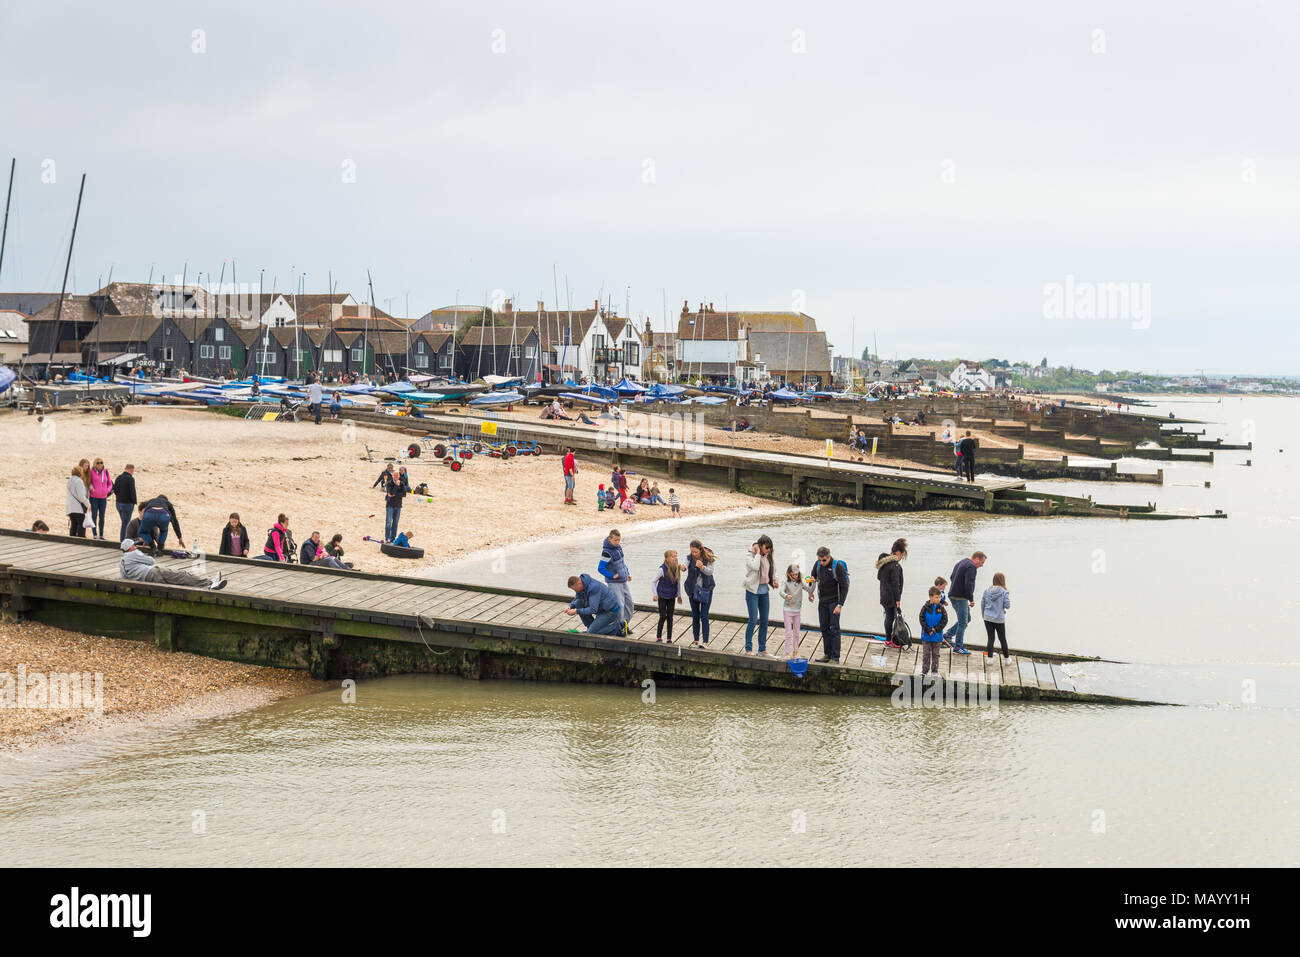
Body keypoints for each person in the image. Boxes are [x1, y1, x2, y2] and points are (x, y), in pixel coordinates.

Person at [119, 539, 226, 590]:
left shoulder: (122, 562)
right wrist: (139, 553)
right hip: (154, 572)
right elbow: (151, 561)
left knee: (178, 584)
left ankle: (208, 586)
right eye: (134, 545)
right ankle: (210, 583)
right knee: (182, 575)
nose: (136, 546)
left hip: (147, 579)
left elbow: (124, 577)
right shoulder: (133, 554)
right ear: (131, 548)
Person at [943, 550, 986, 656]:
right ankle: (958, 647)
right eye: (981, 563)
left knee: (967, 619)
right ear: (976, 559)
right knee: (963, 622)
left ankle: (948, 635)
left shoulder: (962, 562)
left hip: (953, 594)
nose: (981, 565)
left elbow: (952, 576)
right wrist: (971, 599)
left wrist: (957, 586)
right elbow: (969, 584)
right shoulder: (971, 566)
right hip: (960, 597)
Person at [742, 534, 779, 655]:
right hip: (752, 590)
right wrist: (757, 553)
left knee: (764, 620)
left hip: (764, 591)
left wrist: (774, 579)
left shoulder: (768, 555)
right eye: (766, 547)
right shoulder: (750, 555)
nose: (768, 550)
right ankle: (748, 648)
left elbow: (772, 567)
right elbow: (755, 566)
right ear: (760, 546)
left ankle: (762, 649)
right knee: (753, 620)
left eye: (770, 548)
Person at [812, 546, 849, 664]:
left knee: (834, 628)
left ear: (829, 557)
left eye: (824, 560)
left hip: (834, 602)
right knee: (824, 627)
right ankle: (827, 654)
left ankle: (835, 657)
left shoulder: (838, 567)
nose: (822, 563)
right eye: (820, 560)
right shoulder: (817, 565)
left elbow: (844, 587)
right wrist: (810, 592)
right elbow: (813, 578)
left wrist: (840, 605)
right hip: (822, 601)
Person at [598, 529, 633, 630]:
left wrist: (628, 573)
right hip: (614, 583)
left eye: (619, 540)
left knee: (629, 603)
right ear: (610, 539)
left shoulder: (618, 548)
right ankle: (618, 628)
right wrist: (611, 575)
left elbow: (622, 563)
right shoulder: (606, 553)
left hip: (623, 580)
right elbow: (600, 568)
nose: (617, 542)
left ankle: (624, 625)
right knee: (620, 605)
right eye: (615, 540)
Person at [684, 539, 716, 647]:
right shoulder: (689, 558)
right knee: (695, 616)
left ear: (700, 550)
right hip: (693, 590)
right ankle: (696, 640)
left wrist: (702, 567)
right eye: (692, 551)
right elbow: (685, 564)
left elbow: (710, 571)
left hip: (706, 590)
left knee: (704, 616)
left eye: (696, 552)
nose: (694, 554)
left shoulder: (709, 557)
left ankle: (705, 641)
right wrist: (683, 567)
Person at [876, 538, 907, 647]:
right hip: (892, 597)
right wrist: (898, 600)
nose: (902, 557)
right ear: (898, 553)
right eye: (902, 555)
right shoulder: (895, 566)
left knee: (888, 617)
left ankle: (888, 639)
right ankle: (890, 640)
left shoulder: (884, 564)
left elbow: (879, 577)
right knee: (891, 618)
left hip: (884, 595)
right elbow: (896, 585)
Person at [780, 563, 814, 659]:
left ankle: (795, 652)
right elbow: (781, 592)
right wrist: (786, 596)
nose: (796, 576)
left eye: (797, 574)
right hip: (787, 610)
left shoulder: (801, 583)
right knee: (788, 632)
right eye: (794, 574)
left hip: (797, 611)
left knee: (796, 633)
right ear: (789, 574)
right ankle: (787, 653)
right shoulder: (785, 582)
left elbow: (810, 590)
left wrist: (813, 582)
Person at [649, 549, 682, 643]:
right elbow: (653, 581)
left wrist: (679, 595)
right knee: (663, 616)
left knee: (670, 617)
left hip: (672, 597)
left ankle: (669, 638)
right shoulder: (662, 569)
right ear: (667, 559)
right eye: (673, 556)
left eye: (676, 556)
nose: (675, 558)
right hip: (662, 597)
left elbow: (678, 582)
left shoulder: (677, 568)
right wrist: (655, 594)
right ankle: (658, 636)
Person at [919, 586, 949, 676]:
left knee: (936, 654)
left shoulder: (941, 608)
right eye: (937, 597)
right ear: (931, 597)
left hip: (937, 635)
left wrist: (936, 629)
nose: (939, 599)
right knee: (926, 654)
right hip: (927, 636)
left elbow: (945, 620)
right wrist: (928, 630)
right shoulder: (925, 608)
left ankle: (934, 671)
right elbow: (921, 619)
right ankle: (924, 670)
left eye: (940, 597)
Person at [981, 572, 1011, 659]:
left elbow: (982, 604)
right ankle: (1007, 659)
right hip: (999, 619)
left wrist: (983, 615)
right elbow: (1007, 606)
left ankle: (990, 659)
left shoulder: (986, 591)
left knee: (990, 639)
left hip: (987, 618)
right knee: (1002, 639)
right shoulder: (1004, 592)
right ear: (1003, 581)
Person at [87, 458, 113, 539]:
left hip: (103, 498)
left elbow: (110, 483)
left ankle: (101, 535)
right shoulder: (91, 471)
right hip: (94, 497)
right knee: (94, 516)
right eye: (98, 463)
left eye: (101, 462)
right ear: (95, 463)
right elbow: (88, 481)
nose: (99, 464)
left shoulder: (106, 471)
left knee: (102, 516)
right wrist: (91, 487)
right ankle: (95, 534)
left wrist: (107, 490)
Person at [383, 466, 410, 543]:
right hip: (390, 505)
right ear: (392, 476)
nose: (396, 477)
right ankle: (387, 538)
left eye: (397, 475)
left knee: (395, 523)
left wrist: (395, 494)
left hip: (398, 506)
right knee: (388, 522)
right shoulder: (389, 483)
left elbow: (404, 494)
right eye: (395, 475)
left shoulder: (402, 482)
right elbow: (391, 492)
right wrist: (396, 486)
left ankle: (393, 538)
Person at [111, 464, 137, 542]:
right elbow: (132, 492)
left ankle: (124, 540)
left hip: (118, 503)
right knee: (126, 524)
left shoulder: (118, 478)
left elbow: (115, 490)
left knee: (124, 523)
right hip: (127, 504)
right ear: (131, 470)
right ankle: (123, 541)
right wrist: (134, 502)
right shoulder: (130, 479)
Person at [65, 465, 91, 537]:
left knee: (73, 525)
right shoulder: (79, 481)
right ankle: (80, 541)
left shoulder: (69, 480)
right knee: (81, 525)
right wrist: (88, 505)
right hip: (78, 507)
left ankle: (72, 540)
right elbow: (81, 496)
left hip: (70, 507)